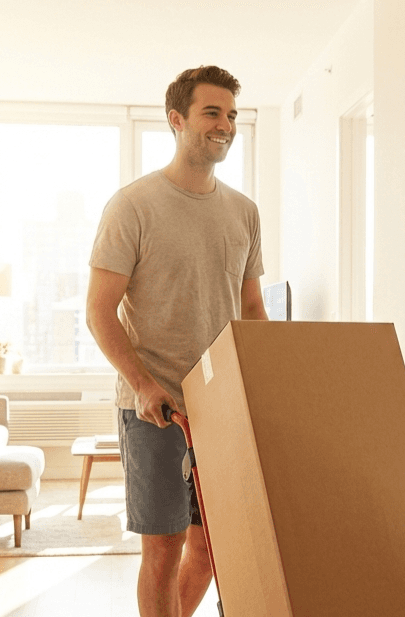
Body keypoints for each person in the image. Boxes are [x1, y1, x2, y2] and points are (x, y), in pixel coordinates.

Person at [86, 65, 269, 617]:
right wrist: (142, 384)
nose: (225, 125)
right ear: (176, 120)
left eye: (232, 114)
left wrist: (263, 388)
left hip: (222, 408)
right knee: (163, 551)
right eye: (212, 112)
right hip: (154, 408)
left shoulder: (244, 212)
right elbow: (99, 311)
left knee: (212, 550)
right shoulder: (133, 205)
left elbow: (253, 309)